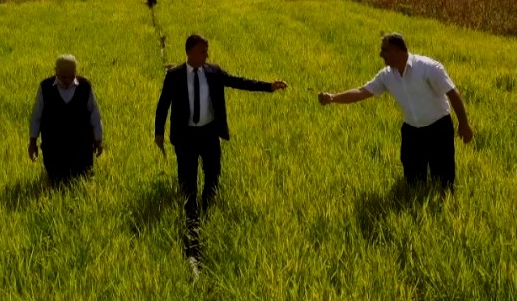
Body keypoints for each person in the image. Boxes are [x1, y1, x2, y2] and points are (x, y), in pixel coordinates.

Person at [155, 35, 287, 231]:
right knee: (188, 180)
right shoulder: (174, 76)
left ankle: (207, 211)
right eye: (202, 51)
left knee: (213, 175)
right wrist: (158, 133)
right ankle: (191, 220)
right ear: (189, 52)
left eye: (207, 51)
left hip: (209, 134)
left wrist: (268, 86)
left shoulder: (213, 72)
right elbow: (163, 105)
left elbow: (238, 82)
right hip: (185, 137)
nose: (206, 55)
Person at [318, 33, 473, 189]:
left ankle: (443, 208)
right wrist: (333, 98)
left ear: (397, 51)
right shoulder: (386, 76)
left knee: (443, 182)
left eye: (384, 50)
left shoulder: (428, 68)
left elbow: (452, 93)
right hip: (411, 132)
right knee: (413, 182)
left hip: (438, 129)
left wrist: (463, 124)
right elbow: (362, 92)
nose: (380, 54)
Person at [29, 54, 104, 185]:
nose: (67, 80)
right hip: (54, 147)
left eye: (71, 76)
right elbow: (36, 116)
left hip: (81, 147)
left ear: (76, 72)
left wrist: (98, 140)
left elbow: (95, 115)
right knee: (56, 180)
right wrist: (33, 142)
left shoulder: (85, 87)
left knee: (82, 178)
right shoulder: (45, 88)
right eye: (63, 76)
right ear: (56, 71)